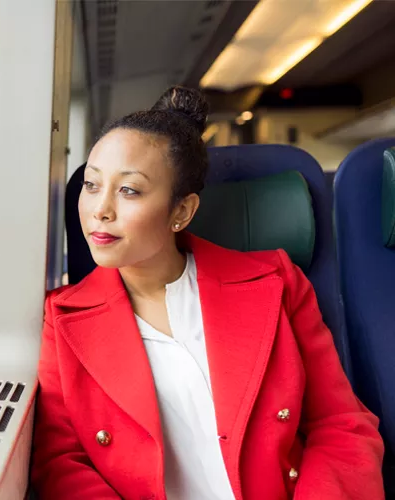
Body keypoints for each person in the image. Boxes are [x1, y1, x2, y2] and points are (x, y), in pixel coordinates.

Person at [30, 86, 385, 500]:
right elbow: (60, 462)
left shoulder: (278, 283)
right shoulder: (60, 319)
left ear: (181, 211)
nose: (100, 210)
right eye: (91, 185)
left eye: (129, 190)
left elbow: (340, 425)